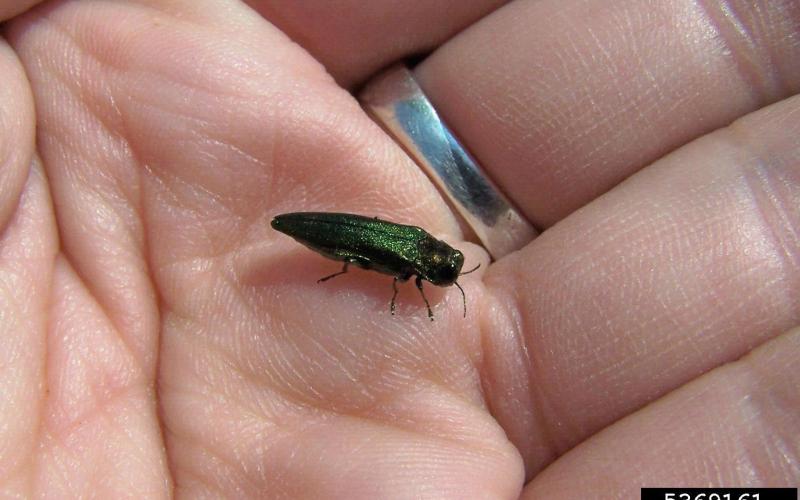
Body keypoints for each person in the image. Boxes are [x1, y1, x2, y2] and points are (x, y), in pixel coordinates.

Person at [0, 0, 797, 497]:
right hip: (330, 233)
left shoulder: (420, 251)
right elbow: (396, 266)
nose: (437, 280)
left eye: (439, 277)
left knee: (352, 255)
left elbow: (402, 260)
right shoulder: (417, 260)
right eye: (440, 277)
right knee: (351, 255)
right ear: (433, 266)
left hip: (335, 233)